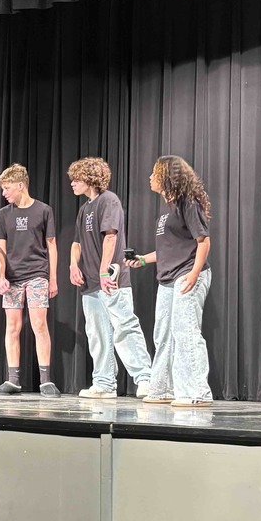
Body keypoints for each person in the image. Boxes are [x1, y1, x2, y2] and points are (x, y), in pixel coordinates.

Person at [125, 155, 212, 407]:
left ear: (167, 176)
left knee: (185, 332)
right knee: (162, 334)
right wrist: (142, 260)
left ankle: (197, 392)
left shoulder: (188, 202)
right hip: (167, 278)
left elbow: (203, 241)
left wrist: (194, 274)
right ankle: (163, 388)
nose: (150, 177)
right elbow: (168, 249)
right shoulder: (166, 210)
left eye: (155, 173)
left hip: (187, 273)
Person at [68, 157, 152, 400]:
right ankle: (104, 382)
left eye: (77, 178)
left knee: (124, 326)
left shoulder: (109, 201)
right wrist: (73, 264)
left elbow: (110, 237)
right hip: (90, 283)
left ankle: (145, 379)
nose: (72, 183)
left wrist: (104, 271)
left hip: (111, 278)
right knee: (97, 333)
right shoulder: (84, 209)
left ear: (91, 178)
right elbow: (76, 242)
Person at [0, 164, 60, 396]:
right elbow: (0, 250)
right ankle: (13, 380)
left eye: (7, 188)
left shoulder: (43, 210)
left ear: (20, 186)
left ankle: (45, 380)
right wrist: (0, 277)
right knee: (13, 327)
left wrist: (52, 279)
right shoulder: (3, 214)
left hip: (37, 275)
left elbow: (51, 246)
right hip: (12, 279)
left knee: (39, 325)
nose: (4, 193)